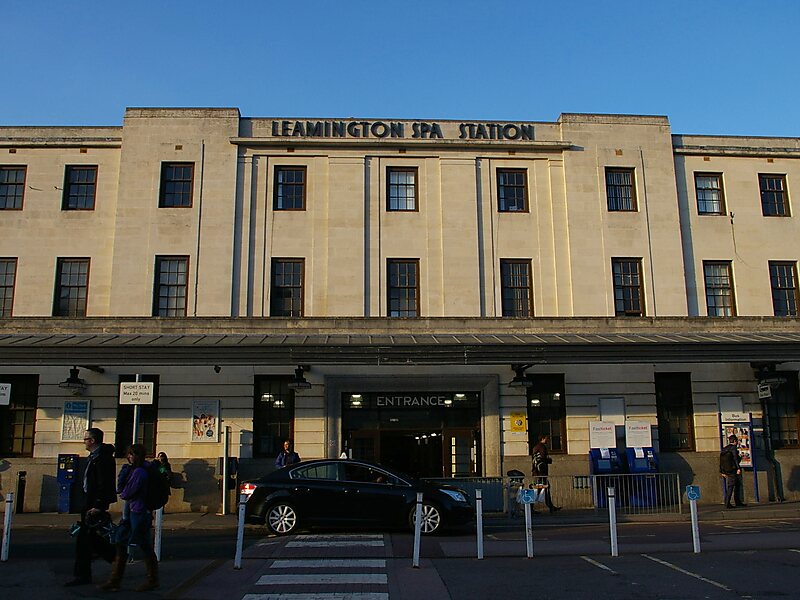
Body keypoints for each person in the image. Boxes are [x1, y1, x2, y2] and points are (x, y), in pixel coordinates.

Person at [99, 444, 159, 592]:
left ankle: (152, 579)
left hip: (139, 511)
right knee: (121, 541)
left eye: (133, 454)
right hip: (134, 511)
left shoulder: (139, 472)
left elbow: (125, 492)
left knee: (142, 544)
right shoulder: (137, 470)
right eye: (129, 454)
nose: (130, 457)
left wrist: (124, 480)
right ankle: (115, 579)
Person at [65, 427, 117, 587]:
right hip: (89, 501)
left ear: (93, 441)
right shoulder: (94, 457)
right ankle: (116, 559)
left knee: (85, 539)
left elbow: (104, 482)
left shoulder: (102, 458)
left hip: (94, 503)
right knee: (90, 539)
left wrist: (98, 504)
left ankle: (84, 574)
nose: (84, 442)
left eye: (86, 439)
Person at [531, 434, 561, 513]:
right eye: (546, 439)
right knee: (540, 489)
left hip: (536, 471)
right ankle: (530, 507)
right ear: (543, 439)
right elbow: (543, 458)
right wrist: (549, 460)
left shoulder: (535, 447)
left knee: (541, 488)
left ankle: (550, 506)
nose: (548, 440)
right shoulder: (542, 447)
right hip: (541, 472)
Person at [720, 434, 746, 509]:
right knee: (731, 486)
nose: (737, 442)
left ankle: (737, 501)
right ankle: (727, 503)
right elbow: (735, 458)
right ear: (734, 441)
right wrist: (738, 468)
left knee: (737, 484)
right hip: (732, 470)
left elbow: (721, 461)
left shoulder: (725, 449)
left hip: (726, 470)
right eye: (737, 441)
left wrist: (722, 471)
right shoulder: (733, 448)